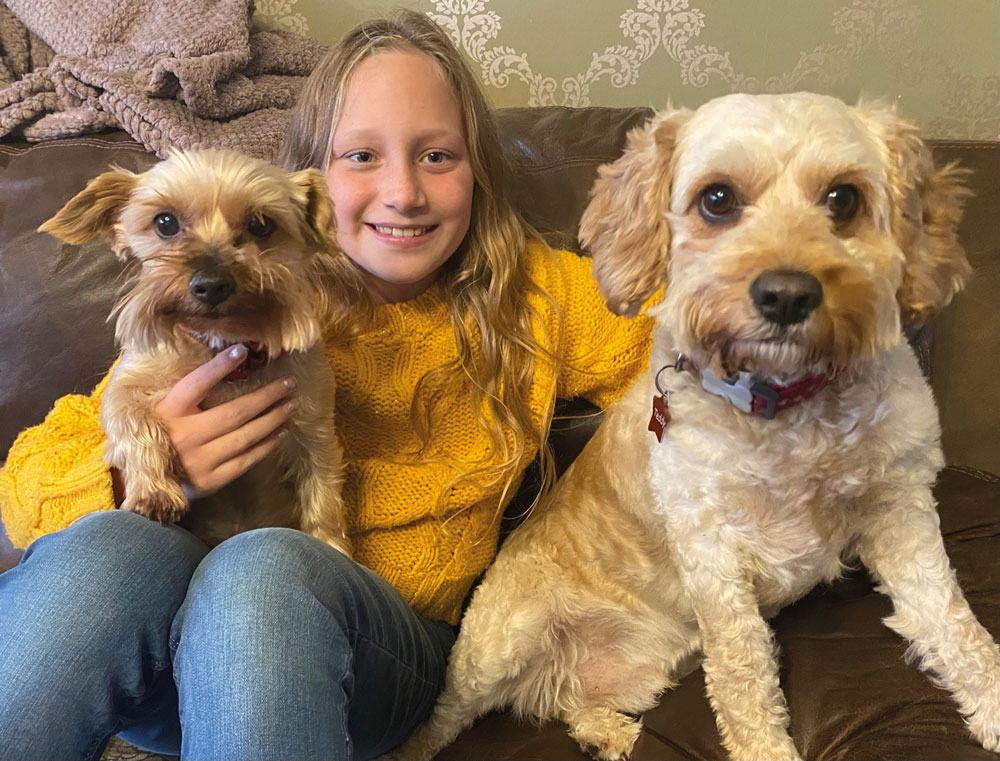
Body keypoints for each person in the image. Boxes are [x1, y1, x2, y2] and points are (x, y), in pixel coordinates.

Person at [0, 10, 652, 761]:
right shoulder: (229, 313)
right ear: (312, 186)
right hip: (169, 649)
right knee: (105, 548)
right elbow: (23, 491)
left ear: (478, 170)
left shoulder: (538, 299)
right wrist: (135, 470)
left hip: (381, 657)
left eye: (438, 155)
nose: (403, 190)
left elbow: (685, 348)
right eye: (363, 155)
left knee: (264, 567)